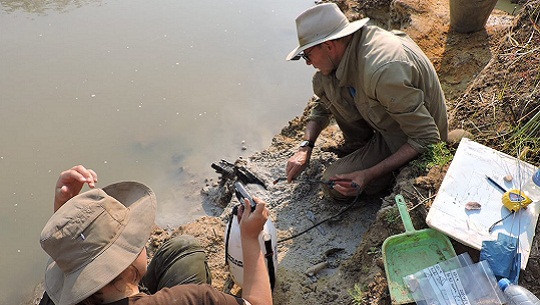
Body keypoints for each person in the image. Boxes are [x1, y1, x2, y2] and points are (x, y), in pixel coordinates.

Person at [39, 165, 273, 305]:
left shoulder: (56, 300)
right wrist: (250, 238)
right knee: (189, 251)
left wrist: (66, 212)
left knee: (182, 249)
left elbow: (71, 256)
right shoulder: (190, 299)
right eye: (134, 238)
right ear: (127, 260)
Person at [285, 3, 449, 201]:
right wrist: (305, 147)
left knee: (333, 184)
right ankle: (362, 148)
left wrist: (368, 174)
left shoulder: (381, 70)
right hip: (392, 118)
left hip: (411, 138)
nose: (308, 63)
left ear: (328, 45)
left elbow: (427, 137)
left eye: (307, 55)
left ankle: (388, 176)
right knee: (323, 80)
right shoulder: (349, 49)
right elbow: (323, 106)